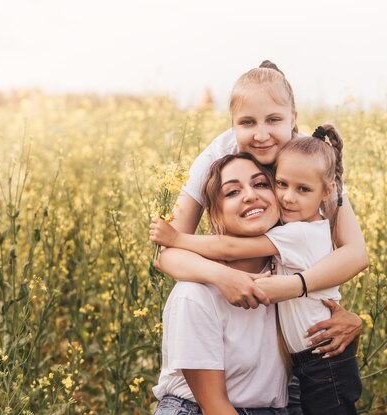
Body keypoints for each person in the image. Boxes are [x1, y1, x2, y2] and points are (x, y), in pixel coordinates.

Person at [152, 61, 368, 412]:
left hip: (289, 358)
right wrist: (227, 277)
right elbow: (167, 251)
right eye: (248, 122)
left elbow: (355, 253)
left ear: (293, 119)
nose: (262, 134)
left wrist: (307, 294)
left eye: (274, 120)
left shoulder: (308, 159)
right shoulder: (217, 157)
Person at [152, 153, 289, 414]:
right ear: (215, 214)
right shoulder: (194, 294)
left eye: (261, 184)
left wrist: (350, 325)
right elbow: (215, 406)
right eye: (232, 191)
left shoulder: (287, 276)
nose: (250, 195)